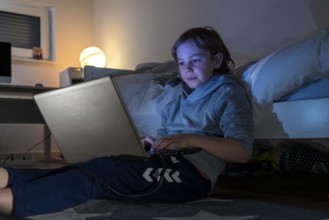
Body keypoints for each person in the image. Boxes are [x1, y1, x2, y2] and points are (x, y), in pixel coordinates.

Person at [0, 26, 253, 217]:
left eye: (195, 60)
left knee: (101, 174)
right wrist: (151, 143)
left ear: (216, 60)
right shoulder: (178, 98)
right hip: (160, 160)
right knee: (95, 165)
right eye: (181, 63)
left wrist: (189, 139)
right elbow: (168, 137)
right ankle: (5, 178)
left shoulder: (228, 93)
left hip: (192, 176)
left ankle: (9, 201)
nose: (186, 69)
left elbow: (241, 152)